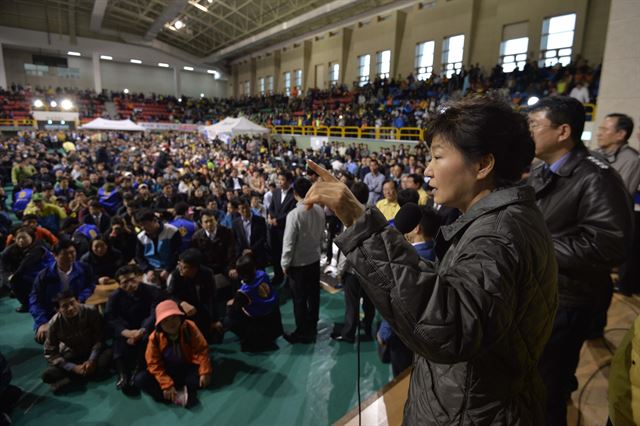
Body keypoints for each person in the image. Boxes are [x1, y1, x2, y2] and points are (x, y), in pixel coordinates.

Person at [305, 97, 558, 424]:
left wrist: (358, 219)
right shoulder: (507, 219)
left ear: (483, 165)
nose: (427, 170)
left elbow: (447, 329)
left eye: (438, 156)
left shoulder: (497, 235)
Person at [528, 96, 633, 425]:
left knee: (548, 389)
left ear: (562, 131)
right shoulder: (542, 169)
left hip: (569, 298)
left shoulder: (596, 176)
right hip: (547, 291)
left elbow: (610, 243)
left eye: (533, 125)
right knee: (544, 378)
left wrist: (539, 246)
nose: (527, 132)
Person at [134, 300, 212, 407]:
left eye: (174, 317)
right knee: (140, 380)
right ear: (160, 324)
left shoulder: (189, 327)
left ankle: (177, 392)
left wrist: (204, 371)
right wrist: (166, 384)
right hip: (168, 371)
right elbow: (153, 363)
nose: (171, 323)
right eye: (165, 320)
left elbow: (201, 349)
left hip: (187, 366)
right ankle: (176, 394)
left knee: (198, 380)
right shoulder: (155, 338)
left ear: (180, 317)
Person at [105, 264, 164, 395]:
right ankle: (122, 374)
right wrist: (126, 332)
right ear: (119, 284)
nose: (130, 284)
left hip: (145, 327)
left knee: (146, 339)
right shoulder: (114, 296)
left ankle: (137, 370)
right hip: (126, 329)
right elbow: (111, 318)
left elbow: (154, 313)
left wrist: (141, 330)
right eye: (125, 282)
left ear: (138, 277)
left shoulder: (151, 291)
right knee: (118, 340)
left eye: (133, 279)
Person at [281, 177, 325, 343]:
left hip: (298, 264)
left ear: (294, 194)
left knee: (299, 299)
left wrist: (285, 264)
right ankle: (312, 325)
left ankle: (302, 332)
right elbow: (322, 235)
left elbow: (289, 243)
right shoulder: (319, 210)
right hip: (314, 259)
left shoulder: (294, 214)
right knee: (313, 296)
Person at [42, 291, 112, 393]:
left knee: (108, 357)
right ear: (58, 309)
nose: (70, 308)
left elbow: (100, 337)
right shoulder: (53, 324)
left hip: (94, 351)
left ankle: (73, 378)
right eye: (64, 306)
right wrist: (73, 368)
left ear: (78, 301)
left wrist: (91, 360)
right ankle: (82, 373)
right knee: (48, 375)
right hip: (73, 353)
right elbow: (50, 353)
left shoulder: (91, 311)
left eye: (72, 303)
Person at [30, 239, 96, 344]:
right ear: (54, 255)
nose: (70, 256)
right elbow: (35, 300)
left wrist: (81, 298)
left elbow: (90, 285)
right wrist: (42, 322)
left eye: (72, 252)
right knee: (42, 337)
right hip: (53, 311)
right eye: (65, 254)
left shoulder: (84, 268)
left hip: (76, 308)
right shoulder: (44, 276)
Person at [331, 182, 374, 343]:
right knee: (369, 303)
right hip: (370, 268)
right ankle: (368, 328)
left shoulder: (349, 216)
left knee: (352, 304)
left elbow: (346, 249)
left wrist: (340, 272)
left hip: (353, 270)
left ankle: (349, 333)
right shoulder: (373, 212)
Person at [225, 254, 283, 352]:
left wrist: (231, 303)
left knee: (229, 315)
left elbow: (235, 309)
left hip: (259, 319)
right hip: (274, 314)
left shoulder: (244, 292)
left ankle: (249, 339)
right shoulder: (262, 274)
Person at [166, 249, 223, 343]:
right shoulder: (176, 274)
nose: (180, 268)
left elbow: (211, 297)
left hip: (200, 308)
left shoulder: (207, 274)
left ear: (194, 268)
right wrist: (182, 303)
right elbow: (169, 295)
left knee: (214, 336)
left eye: (183, 267)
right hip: (182, 310)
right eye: (179, 264)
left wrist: (214, 320)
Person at [1, 226, 55, 312]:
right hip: (28, 274)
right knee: (13, 281)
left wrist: (12, 278)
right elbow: (4, 265)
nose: (21, 240)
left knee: (16, 280)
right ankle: (27, 304)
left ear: (31, 237)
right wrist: (7, 279)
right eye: (18, 238)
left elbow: (24, 266)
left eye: (24, 238)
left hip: (45, 273)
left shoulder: (39, 247)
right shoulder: (11, 250)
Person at [190, 209, 236, 302]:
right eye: (206, 222)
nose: (209, 224)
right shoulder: (196, 237)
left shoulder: (226, 232)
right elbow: (197, 256)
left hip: (224, 265)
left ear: (216, 220)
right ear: (201, 223)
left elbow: (231, 252)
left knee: (235, 276)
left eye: (211, 221)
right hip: (207, 266)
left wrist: (232, 267)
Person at [134, 209, 182, 287]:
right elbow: (139, 257)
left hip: (171, 267)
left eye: (146, 224)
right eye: (141, 225)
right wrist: (148, 270)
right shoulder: (141, 237)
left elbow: (176, 254)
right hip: (152, 269)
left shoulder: (171, 231)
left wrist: (167, 269)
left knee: (172, 284)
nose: (144, 228)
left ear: (155, 220)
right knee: (149, 288)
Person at [267, 171, 296, 286]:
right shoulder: (276, 192)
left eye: (282, 180)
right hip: (274, 230)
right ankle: (278, 275)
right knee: (276, 254)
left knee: (288, 254)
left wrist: (277, 220)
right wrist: (272, 217)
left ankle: (289, 279)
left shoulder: (294, 194)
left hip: (286, 229)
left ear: (289, 181)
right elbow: (271, 208)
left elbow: (291, 212)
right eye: (279, 179)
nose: (280, 182)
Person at [232, 197, 268, 269]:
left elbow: (263, 237)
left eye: (246, 207)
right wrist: (242, 251)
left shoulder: (260, 220)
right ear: (238, 210)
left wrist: (252, 250)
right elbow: (235, 240)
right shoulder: (235, 223)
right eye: (242, 208)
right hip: (243, 256)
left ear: (249, 207)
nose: (245, 210)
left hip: (258, 254)